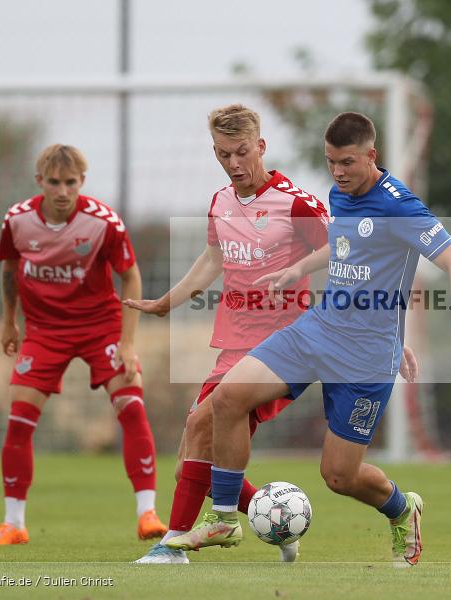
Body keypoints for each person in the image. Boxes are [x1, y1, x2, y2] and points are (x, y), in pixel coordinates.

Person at [164, 111, 451, 568]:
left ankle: (402, 508)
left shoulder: (400, 206)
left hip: (365, 356)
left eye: (348, 163)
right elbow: (344, 243)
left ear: (371, 156)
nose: (337, 173)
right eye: (331, 162)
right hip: (317, 331)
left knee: (339, 475)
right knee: (226, 399)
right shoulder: (342, 192)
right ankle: (223, 518)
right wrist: (301, 268)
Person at [126, 104, 330, 563]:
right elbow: (213, 261)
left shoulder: (296, 203)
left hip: (283, 347)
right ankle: (277, 522)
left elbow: (341, 252)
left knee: (203, 423)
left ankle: (174, 545)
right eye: (223, 155)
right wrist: (166, 302)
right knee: (191, 460)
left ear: (260, 146)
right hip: (233, 347)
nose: (234, 164)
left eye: (241, 152)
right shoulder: (220, 202)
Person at [0, 144, 167, 545]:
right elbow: (10, 269)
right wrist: (10, 322)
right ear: (40, 182)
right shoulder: (17, 220)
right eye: (54, 182)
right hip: (45, 331)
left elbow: (131, 277)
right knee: (18, 420)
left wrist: (128, 342)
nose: (62, 191)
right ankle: (13, 523)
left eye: (70, 182)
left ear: (82, 182)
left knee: (132, 407)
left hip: (100, 326)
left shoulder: (103, 222)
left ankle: (147, 514)